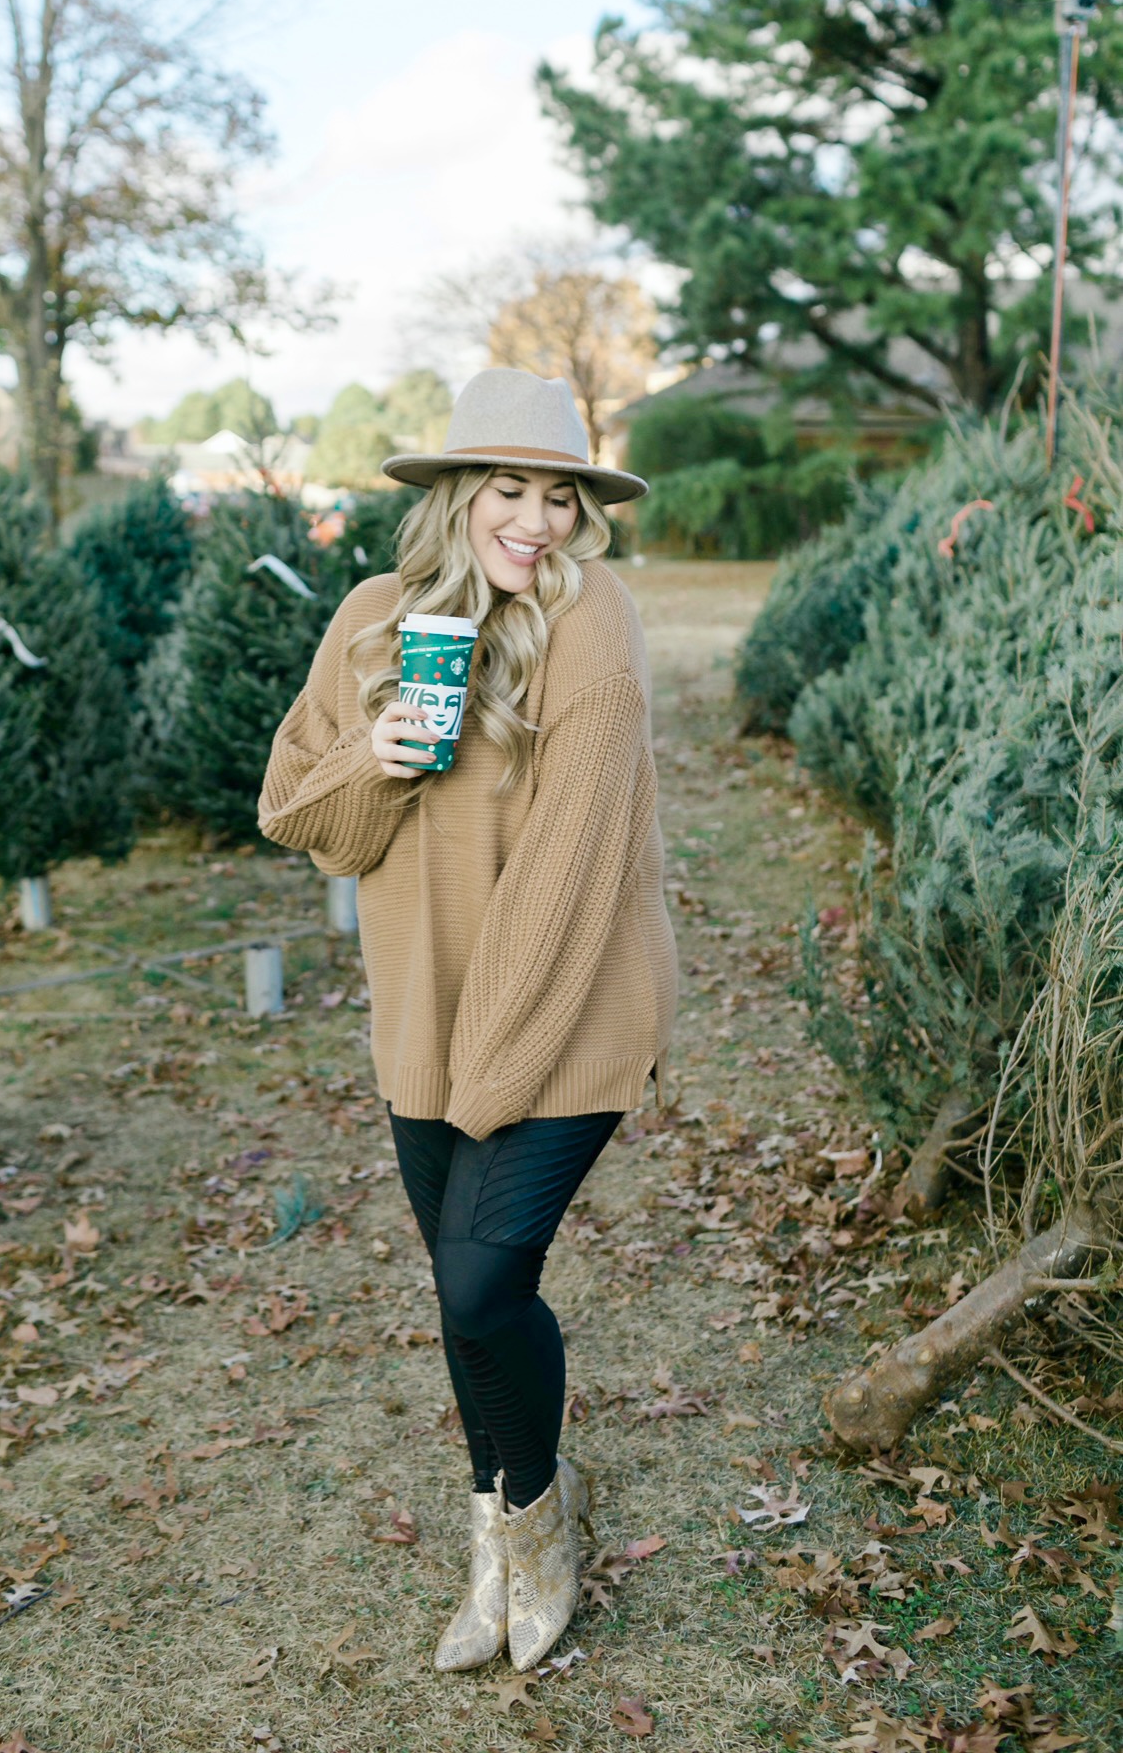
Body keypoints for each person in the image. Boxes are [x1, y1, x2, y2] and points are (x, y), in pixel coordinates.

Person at [257, 367, 678, 1673]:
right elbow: (303, 820)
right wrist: (371, 759)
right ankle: (495, 1545)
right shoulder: (375, 624)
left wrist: (487, 1076)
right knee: (462, 1296)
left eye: (560, 496)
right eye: (510, 489)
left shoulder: (589, 622)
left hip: (570, 1009)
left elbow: (568, 869)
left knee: (483, 1276)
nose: (538, 521)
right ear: (454, 497)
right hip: (422, 1029)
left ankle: (543, 1525)